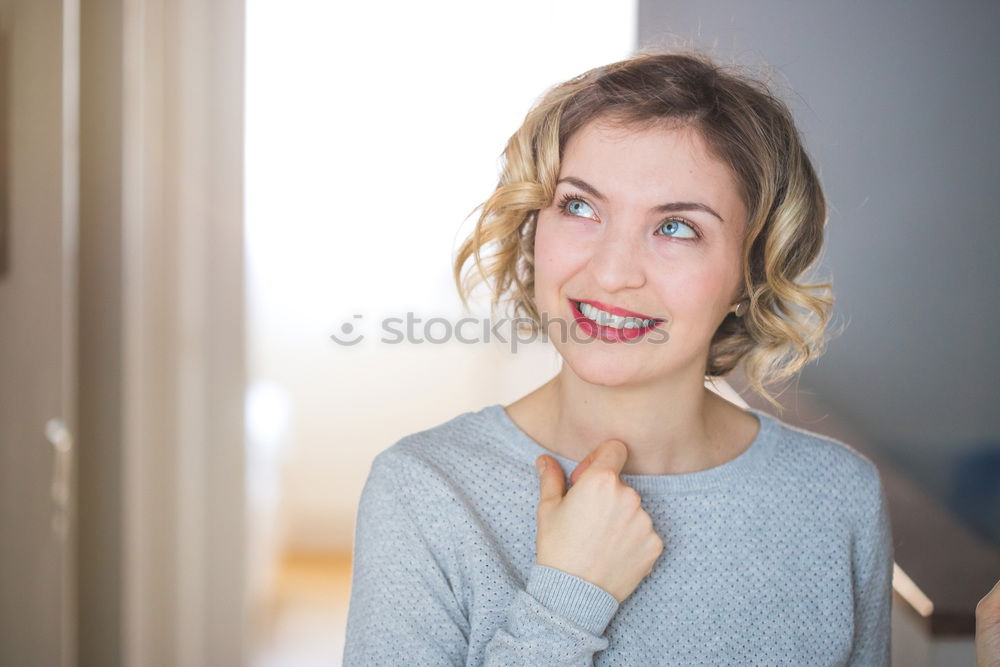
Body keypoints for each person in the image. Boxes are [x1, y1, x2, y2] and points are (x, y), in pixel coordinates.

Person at [343, 48, 893, 665]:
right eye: (579, 207)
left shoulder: (837, 498)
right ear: (533, 226)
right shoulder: (426, 491)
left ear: (752, 270)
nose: (609, 273)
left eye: (677, 227)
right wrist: (567, 601)